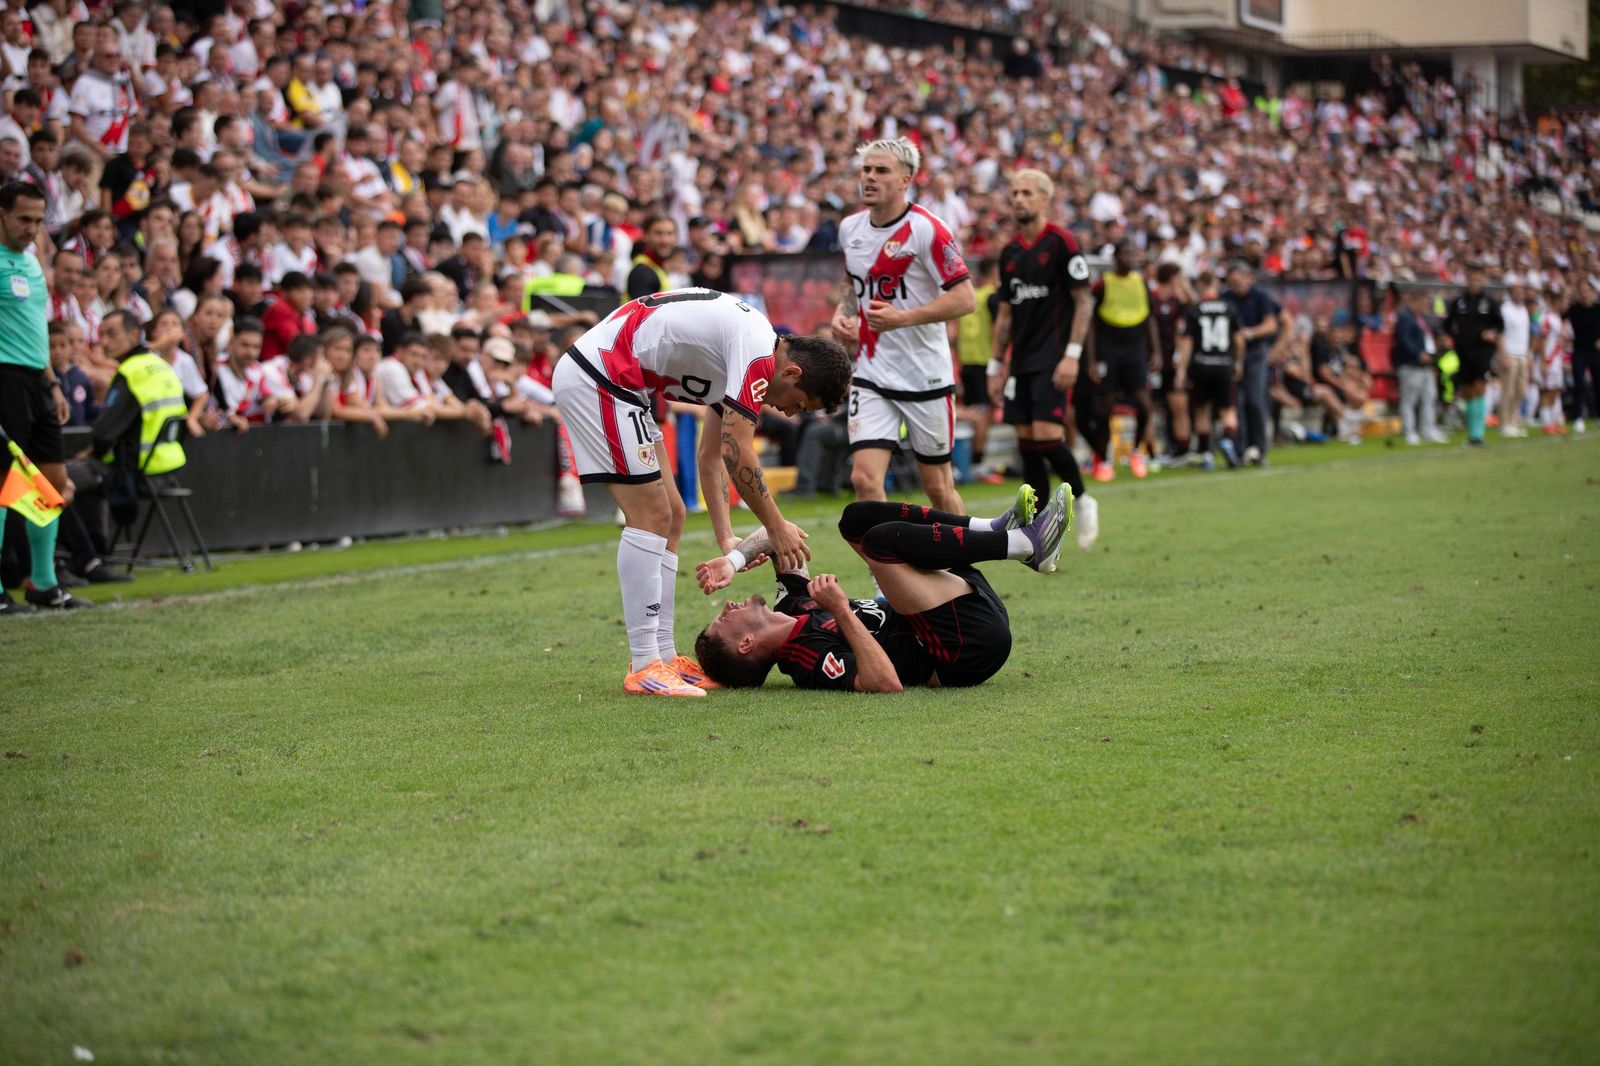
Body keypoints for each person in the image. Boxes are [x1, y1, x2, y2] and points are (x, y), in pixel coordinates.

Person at [551, 288, 851, 698]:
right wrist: (775, 526)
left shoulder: (745, 350)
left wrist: (726, 536)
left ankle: (664, 655)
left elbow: (711, 455)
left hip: (622, 385)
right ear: (793, 373)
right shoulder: (757, 355)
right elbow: (736, 451)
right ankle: (644, 665)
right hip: (602, 378)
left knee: (672, 514)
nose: (789, 413)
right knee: (652, 516)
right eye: (798, 404)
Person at [690, 483, 1071, 692]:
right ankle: (1024, 545)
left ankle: (992, 529)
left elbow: (779, 535)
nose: (724, 609)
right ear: (745, 645)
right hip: (962, 647)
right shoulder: (804, 660)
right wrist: (840, 609)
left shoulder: (791, 603)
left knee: (858, 519)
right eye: (721, 622)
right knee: (880, 543)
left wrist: (733, 559)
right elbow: (884, 682)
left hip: (955, 604)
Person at [830, 137, 974, 515]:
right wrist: (843, 313)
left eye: (881, 171)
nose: (870, 178)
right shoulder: (850, 228)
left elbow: (965, 298)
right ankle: (886, 572)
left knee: (939, 487)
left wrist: (902, 319)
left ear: (905, 179)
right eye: (866, 170)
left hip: (925, 375)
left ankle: (962, 568)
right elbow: (851, 280)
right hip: (872, 372)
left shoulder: (928, 229)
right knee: (864, 478)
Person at [988, 168, 1098, 550]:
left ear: (1043, 199)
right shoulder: (1010, 252)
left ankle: (1084, 500)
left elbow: (1084, 301)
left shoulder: (1063, 242)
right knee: (1027, 441)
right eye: (1014, 193)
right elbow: (1004, 314)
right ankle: (1039, 534)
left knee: (1049, 438)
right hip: (1020, 361)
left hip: (1055, 357)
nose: (1018, 199)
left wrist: (1072, 355)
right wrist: (994, 364)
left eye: (1026, 193)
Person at [0, 182, 89, 612]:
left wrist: (52, 382)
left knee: (54, 482)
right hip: (4, 379)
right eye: (23, 219)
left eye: (38, 220)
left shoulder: (33, 262)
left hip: (37, 381)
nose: (32, 229)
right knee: (2, 484)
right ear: (1, 213)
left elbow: (37, 328)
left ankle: (42, 584)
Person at [1221, 260, 1291, 466]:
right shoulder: (1226, 298)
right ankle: (1239, 450)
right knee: (1237, 403)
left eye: (1239, 282)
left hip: (1255, 352)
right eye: (1232, 283)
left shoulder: (1259, 296)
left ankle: (1259, 449)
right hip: (1233, 355)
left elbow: (1273, 323)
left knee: (1255, 399)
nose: (1236, 286)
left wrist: (1250, 334)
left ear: (1248, 278)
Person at [1173, 271, 1244, 470]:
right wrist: (1238, 364)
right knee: (1228, 410)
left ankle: (1206, 455)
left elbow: (1187, 343)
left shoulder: (1195, 310)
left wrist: (1181, 371)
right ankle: (1228, 441)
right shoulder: (1229, 308)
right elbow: (1239, 340)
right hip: (1224, 365)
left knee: (1201, 411)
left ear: (1201, 286)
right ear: (1215, 285)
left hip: (1201, 365)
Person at [1442, 263, 1503, 447]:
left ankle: (1478, 435)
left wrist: (1492, 333)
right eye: (1471, 278)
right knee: (1467, 392)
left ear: (1482, 280)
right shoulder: (1459, 302)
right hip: (1463, 352)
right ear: (1466, 279)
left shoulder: (1489, 302)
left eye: (1477, 278)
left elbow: (1500, 325)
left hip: (1483, 352)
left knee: (1479, 387)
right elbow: (1447, 324)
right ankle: (1471, 435)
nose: (1474, 282)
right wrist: (1451, 337)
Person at [951, 255, 999, 480]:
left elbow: (954, 334)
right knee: (983, 415)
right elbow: (1001, 330)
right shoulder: (992, 298)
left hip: (966, 363)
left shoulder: (970, 297)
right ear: (995, 273)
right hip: (984, 363)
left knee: (972, 412)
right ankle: (977, 465)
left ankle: (964, 463)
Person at [1393, 289, 1445, 445]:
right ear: (1416, 300)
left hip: (1426, 365)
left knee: (1429, 397)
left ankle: (1428, 429)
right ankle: (1409, 431)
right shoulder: (1405, 317)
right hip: (1410, 365)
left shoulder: (1421, 318)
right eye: (1424, 302)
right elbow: (1403, 340)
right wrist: (1417, 354)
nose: (1426, 305)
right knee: (1409, 399)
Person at [1497, 275, 1531, 439]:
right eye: (1517, 291)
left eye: (1521, 291)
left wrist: (1528, 355)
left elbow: (1526, 334)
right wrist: (1503, 355)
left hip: (1522, 354)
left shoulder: (1523, 309)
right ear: (1510, 293)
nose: (1520, 294)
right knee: (1508, 391)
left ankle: (1513, 420)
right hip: (1510, 354)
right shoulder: (1505, 310)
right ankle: (1505, 424)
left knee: (1521, 390)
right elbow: (1500, 334)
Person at [1567, 278, 1600, 435]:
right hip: (1579, 351)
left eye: (1587, 291)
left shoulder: (1598, 309)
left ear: (1593, 293)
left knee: (1598, 384)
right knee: (1578, 384)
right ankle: (1579, 417)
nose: (1585, 294)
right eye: (1582, 292)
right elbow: (1560, 316)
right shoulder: (1573, 310)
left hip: (1596, 351)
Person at [625, 214, 675, 299]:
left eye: (670, 233)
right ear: (645, 236)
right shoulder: (643, 271)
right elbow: (643, 311)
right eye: (658, 233)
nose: (665, 240)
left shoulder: (656, 267)